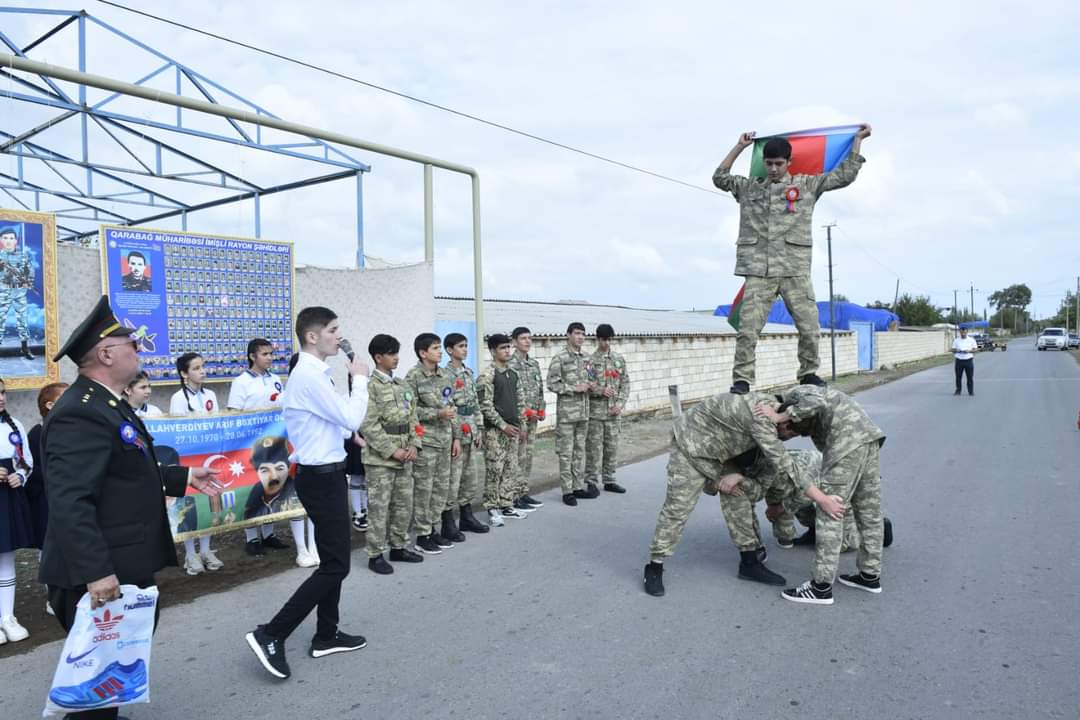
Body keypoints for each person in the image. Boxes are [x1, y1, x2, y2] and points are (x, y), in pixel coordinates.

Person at [39, 295, 221, 718]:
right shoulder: (79, 413)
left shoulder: (108, 402)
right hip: (101, 571)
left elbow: (124, 471)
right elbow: (70, 499)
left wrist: (182, 477)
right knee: (94, 693)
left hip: (123, 562)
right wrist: (97, 571)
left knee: (111, 683)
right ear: (105, 353)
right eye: (132, 345)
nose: (140, 350)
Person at [245, 306, 370, 681]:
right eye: (333, 330)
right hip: (320, 476)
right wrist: (360, 380)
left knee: (334, 559)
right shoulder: (309, 376)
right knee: (336, 565)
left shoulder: (317, 373)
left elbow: (331, 422)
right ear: (313, 336)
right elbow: (349, 415)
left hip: (328, 472)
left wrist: (350, 434)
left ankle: (326, 634)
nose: (339, 335)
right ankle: (271, 633)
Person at [713, 125, 871, 394]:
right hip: (758, 271)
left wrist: (857, 141)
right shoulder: (749, 188)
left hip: (794, 270)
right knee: (748, 331)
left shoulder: (806, 186)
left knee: (810, 326)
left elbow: (844, 176)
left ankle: (808, 373)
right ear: (763, 163)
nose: (773, 168)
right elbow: (719, 177)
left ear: (788, 162)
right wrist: (739, 146)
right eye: (769, 163)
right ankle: (742, 380)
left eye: (778, 163)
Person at [643, 390, 844, 597]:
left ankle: (749, 561)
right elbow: (787, 466)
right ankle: (654, 566)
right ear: (785, 425)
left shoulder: (776, 410)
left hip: (721, 453)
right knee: (678, 508)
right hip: (691, 444)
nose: (789, 439)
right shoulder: (762, 421)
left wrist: (738, 477)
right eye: (790, 435)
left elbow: (816, 396)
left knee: (736, 491)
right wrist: (822, 499)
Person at [754, 385, 886, 605]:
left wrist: (778, 415)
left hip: (847, 444)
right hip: (867, 439)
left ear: (786, 422)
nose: (791, 435)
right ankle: (869, 576)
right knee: (868, 511)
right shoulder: (811, 422)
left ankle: (821, 587)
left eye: (787, 431)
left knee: (829, 509)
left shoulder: (795, 396)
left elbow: (816, 400)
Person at [227, 339, 299, 562]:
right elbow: (233, 412)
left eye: (271, 353)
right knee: (254, 487)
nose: (270, 357)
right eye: (265, 354)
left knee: (273, 486)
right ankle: (252, 537)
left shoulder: (276, 379)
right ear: (252, 357)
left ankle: (269, 533)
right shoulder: (241, 382)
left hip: (275, 441)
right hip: (252, 443)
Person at [714, 447, 823, 586]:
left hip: (820, 477)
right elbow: (703, 481)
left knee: (844, 543)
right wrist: (722, 482)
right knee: (783, 534)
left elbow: (807, 493)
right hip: (779, 481)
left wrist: (779, 508)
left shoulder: (778, 464)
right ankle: (750, 559)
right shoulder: (719, 453)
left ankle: (815, 530)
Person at [361, 334, 424, 574]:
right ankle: (375, 553)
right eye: (391, 353)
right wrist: (392, 450)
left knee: (403, 505)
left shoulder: (402, 385)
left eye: (397, 352)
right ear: (378, 357)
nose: (396, 357)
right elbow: (369, 425)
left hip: (405, 455)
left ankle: (399, 546)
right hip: (380, 460)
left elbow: (414, 419)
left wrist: (414, 445)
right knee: (379, 508)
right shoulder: (370, 387)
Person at [168, 352, 222, 574]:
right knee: (189, 507)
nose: (202, 371)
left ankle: (207, 550)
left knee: (208, 502)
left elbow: (218, 421)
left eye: (203, 367)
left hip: (207, 456)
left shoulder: (210, 394)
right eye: (196, 368)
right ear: (184, 373)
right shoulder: (178, 398)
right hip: (189, 459)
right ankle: (191, 554)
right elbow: (176, 431)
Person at [404, 333, 458, 554]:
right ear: (423, 353)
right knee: (424, 491)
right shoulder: (413, 377)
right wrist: (437, 413)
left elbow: (451, 405)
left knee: (440, 490)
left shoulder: (445, 375)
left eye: (439, 347)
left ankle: (433, 529)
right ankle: (422, 535)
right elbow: (410, 411)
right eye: (435, 348)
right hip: (426, 443)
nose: (439, 351)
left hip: (445, 441)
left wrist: (455, 437)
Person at [442, 333, 490, 538]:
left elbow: (475, 404)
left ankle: (467, 516)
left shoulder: (468, 373)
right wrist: (456, 436)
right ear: (449, 350)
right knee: (454, 479)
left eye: (466, 345)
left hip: (471, 429)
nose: (465, 349)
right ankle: (447, 522)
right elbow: (448, 407)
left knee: (470, 477)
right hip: (457, 432)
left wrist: (478, 428)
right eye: (460, 346)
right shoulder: (445, 375)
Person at [546, 322, 596, 505]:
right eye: (577, 333)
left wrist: (592, 385)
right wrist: (574, 388)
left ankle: (577, 486)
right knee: (566, 453)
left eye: (583, 334)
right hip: (567, 414)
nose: (580, 337)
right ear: (568, 335)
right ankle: (567, 491)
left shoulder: (587, 357)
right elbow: (552, 383)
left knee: (579, 452)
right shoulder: (560, 358)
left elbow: (592, 378)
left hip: (583, 413)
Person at [0, 376, 34, 644]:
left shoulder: (16, 425)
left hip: (7, 498)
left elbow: (27, 461)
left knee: (7, 556)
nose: (1, 398)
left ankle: (7, 617)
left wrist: (19, 475)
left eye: (3, 393)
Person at [585, 323, 630, 494]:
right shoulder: (589, 361)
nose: (606, 343)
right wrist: (600, 390)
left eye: (609, 339)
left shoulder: (618, 359)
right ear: (597, 339)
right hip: (596, 414)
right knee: (594, 449)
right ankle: (591, 480)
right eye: (603, 339)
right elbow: (587, 385)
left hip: (613, 413)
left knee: (611, 448)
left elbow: (625, 384)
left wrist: (619, 404)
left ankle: (609, 479)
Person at [508, 326, 545, 512]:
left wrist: (541, 408)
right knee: (517, 458)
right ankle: (513, 496)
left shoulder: (534, 364)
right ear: (514, 342)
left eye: (529, 338)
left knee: (528, 456)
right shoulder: (510, 364)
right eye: (523, 338)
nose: (527, 341)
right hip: (519, 420)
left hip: (533, 419)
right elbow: (511, 397)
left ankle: (523, 492)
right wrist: (521, 418)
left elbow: (540, 390)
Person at [0, 225, 36, 360]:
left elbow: (30, 270)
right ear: (1, 240)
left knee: (22, 320)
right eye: (5, 238)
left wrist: (28, 281)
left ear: (16, 241)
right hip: (3, 290)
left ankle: (25, 347)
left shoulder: (22, 256)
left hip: (19, 291)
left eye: (11, 238)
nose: (8, 241)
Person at [952, 327, 978, 396]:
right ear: (960, 332)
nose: (963, 333)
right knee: (958, 377)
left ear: (967, 332)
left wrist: (969, 351)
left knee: (969, 377)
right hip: (959, 361)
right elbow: (953, 350)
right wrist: (956, 350)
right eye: (961, 332)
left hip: (968, 360)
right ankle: (958, 391)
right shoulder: (956, 340)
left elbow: (975, 349)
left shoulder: (971, 340)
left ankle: (971, 391)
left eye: (964, 332)